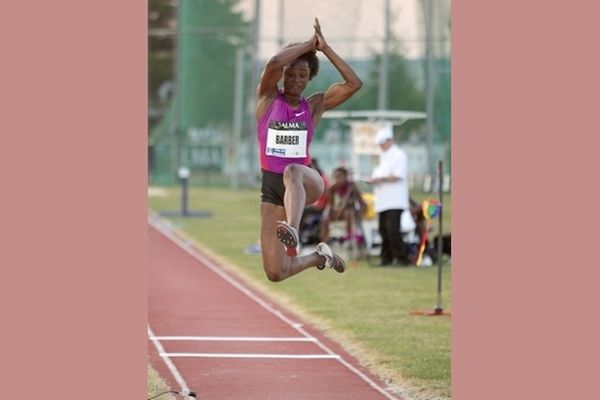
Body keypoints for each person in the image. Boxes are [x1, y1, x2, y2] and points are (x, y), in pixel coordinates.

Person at [256, 18, 363, 282]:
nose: (295, 79)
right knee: (276, 272)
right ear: (284, 75)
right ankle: (319, 257)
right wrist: (308, 45)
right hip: (272, 188)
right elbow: (273, 63)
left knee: (292, 171)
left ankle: (292, 229)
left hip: (306, 180)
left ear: (309, 78)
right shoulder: (268, 98)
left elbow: (353, 84)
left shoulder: (314, 106)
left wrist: (324, 49)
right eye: (291, 74)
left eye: (302, 75)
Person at [366, 125, 411, 266]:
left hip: (395, 200)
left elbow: (398, 175)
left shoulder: (399, 155)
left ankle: (402, 258)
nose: (381, 146)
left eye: (382, 143)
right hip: (383, 200)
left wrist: (380, 179)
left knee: (393, 231)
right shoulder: (383, 158)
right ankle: (387, 258)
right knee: (383, 230)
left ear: (389, 140)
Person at [320, 166, 367, 243]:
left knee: (348, 214)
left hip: (351, 212)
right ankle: (324, 243)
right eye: (336, 177)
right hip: (338, 212)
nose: (337, 179)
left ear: (346, 177)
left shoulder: (352, 187)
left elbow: (362, 202)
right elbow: (331, 206)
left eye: (340, 177)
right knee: (325, 219)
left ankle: (349, 239)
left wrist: (361, 213)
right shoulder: (333, 188)